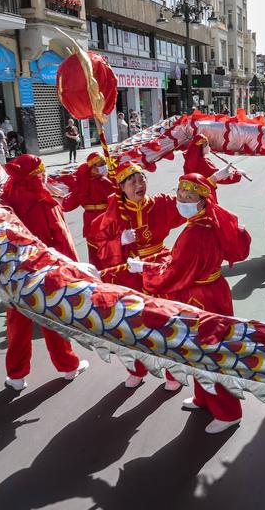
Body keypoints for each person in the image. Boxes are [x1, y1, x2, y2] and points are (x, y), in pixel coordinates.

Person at [130, 173, 251, 433]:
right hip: (204, 292)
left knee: (211, 353)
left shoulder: (198, 232)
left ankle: (228, 412)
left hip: (204, 297)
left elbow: (177, 273)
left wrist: (146, 271)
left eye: (190, 196)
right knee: (196, 350)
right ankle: (204, 397)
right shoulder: (203, 222)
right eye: (180, 194)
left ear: (202, 200)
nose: (182, 199)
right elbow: (179, 264)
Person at [89, 160, 185, 388]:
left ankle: (173, 373)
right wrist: (119, 241)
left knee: (165, 320)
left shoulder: (160, 203)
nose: (139, 184)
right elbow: (101, 248)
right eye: (131, 181)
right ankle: (136, 369)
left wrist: (211, 181)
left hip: (158, 265)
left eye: (141, 179)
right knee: (129, 323)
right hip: (128, 272)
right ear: (121, 187)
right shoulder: (114, 214)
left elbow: (186, 204)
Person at [0, 154, 89, 390]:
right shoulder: (44, 202)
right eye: (41, 171)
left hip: (15, 274)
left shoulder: (5, 202)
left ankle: (16, 377)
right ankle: (68, 366)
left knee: (17, 325)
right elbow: (62, 241)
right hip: (45, 273)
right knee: (53, 320)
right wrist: (74, 271)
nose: (45, 174)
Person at [62, 153, 118, 266]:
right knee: (108, 251)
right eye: (101, 164)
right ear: (93, 167)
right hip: (104, 219)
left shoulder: (81, 182)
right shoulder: (104, 182)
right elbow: (119, 198)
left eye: (105, 164)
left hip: (90, 221)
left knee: (95, 253)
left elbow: (68, 205)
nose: (104, 167)